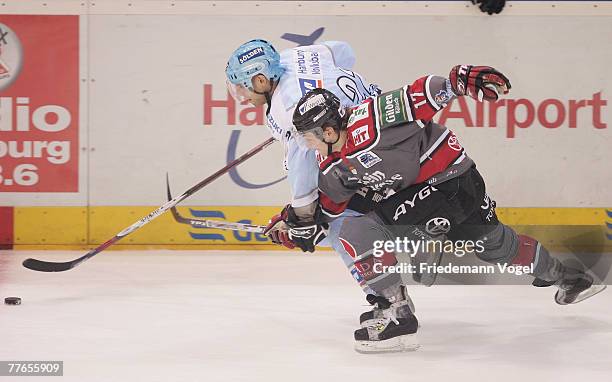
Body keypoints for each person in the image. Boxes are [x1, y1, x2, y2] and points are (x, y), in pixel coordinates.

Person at [290, 65, 607, 353]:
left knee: (358, 231)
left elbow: (421, 93)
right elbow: (331, 206)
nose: (307, 145)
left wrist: (461, 80)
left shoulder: (369, 118)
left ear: (328, 131)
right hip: (458, 183)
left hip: (448, 184)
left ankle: (398, 315)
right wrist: (297, 223)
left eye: (308, 138)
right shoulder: (331, 164)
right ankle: (570, 277)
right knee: (498, 246)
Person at [225, 39, 383, 294]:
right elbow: (345, 51)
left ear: (262, 81)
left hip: (368, 154)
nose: (241, 97)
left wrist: (301, 216)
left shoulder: (286, 108)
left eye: (243, 88)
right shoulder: (295, 55)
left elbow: (304, 163)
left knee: (337, 225)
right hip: (378, 126)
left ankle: (387, 299)